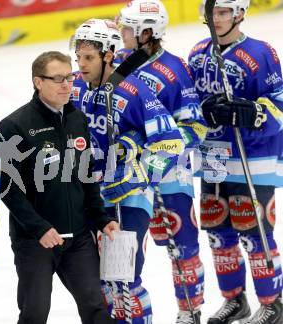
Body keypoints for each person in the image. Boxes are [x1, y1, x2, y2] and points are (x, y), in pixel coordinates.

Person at [71, 18, 186, 324]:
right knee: (101, 285)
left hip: (130, 200)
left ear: (108, 54)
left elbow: (172, 144)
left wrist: (141, 175)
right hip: (91, 198)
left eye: (89, 58)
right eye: (78, 57)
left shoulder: (134, 91)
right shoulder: (73, 88)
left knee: (125, 279)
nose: (81, 64)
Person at [0, 51, 119, 324]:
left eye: (70, 76)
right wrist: (39, 228)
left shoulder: (77, 120)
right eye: (58, 79)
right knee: (34, 314)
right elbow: (7, 188)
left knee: (96, 310)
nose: (68, 84)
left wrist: (101, 219)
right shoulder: (14, 126)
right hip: (36, 242)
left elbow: (86, 176)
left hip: (78, 237)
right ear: (38, 82)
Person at [188, 0, 283, 323]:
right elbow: (189, 105)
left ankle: (273, 303)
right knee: (218, 233)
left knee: (254, 232)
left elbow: (279, 106)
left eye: (223, 12)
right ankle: (235, 300)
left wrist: (253, 113)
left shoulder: (260, 53)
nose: (215, 18)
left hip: (252, 157)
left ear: (240, 14)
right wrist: (204, 111)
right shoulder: (198, 54)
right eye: (211, 11)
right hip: (213, 156)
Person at [116, 1, 208, 323]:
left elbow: (195, 126)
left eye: (127, 26)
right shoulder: (114, 63)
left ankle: (190, 310)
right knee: (126, 252)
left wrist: (159, 147)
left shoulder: (175, 69)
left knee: (183, 242)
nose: (121, 31)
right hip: (128, 174)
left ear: (146, 33)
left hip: (169, 171)